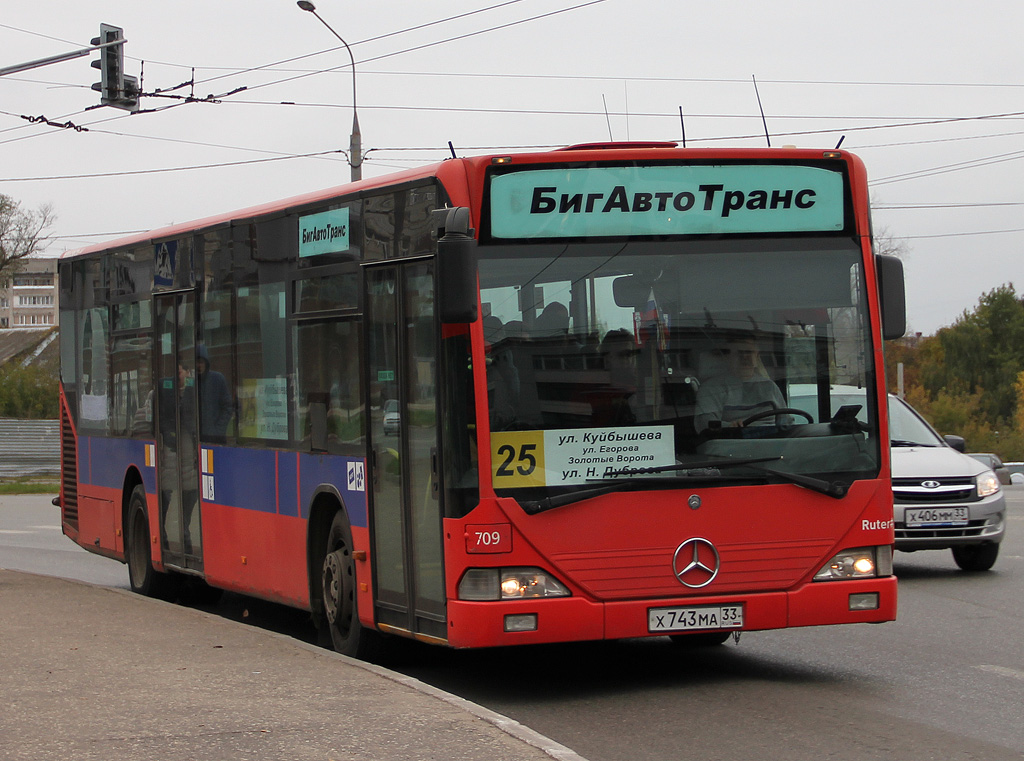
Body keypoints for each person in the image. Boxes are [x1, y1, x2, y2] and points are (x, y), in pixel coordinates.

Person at [694, 334, 789, 433]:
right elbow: (704, 423)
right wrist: (729, 427)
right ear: (728, 357)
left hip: (773, 442)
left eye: (749, 352)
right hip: (734, 443)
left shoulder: (769, 386)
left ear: (757, 357)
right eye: (739, 353)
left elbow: (787, 422)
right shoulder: (711, 388)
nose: (744, 357)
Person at [196, 344, 233, 439]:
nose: (199, 366)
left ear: (206, 363)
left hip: (216, 437)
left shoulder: (218, 379)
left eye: (201, 362)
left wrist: (218, 431)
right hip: (197, 437)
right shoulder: (192, 382)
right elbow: (187, 409)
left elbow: (228, 407)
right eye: (196, 362)